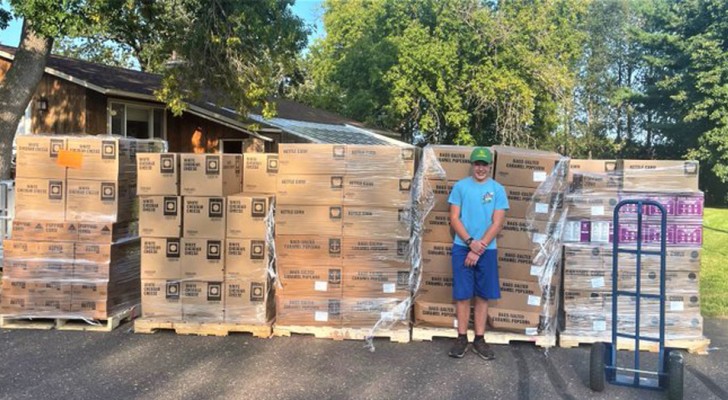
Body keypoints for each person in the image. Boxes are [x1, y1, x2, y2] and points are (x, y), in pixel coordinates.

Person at [447, 147, 509, 360]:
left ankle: (479, 339)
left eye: (484, 164)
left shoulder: (498, 189)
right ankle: (462, 337)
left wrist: (480, 246)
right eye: (477, 164)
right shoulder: (460, 187)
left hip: (487, 248)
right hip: (462, 246)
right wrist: (470, 242)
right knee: (463, 295)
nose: (480, 168)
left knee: (482, 296)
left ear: (490, 166)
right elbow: (454, 218)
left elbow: (498, 222)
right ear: (472, 165)